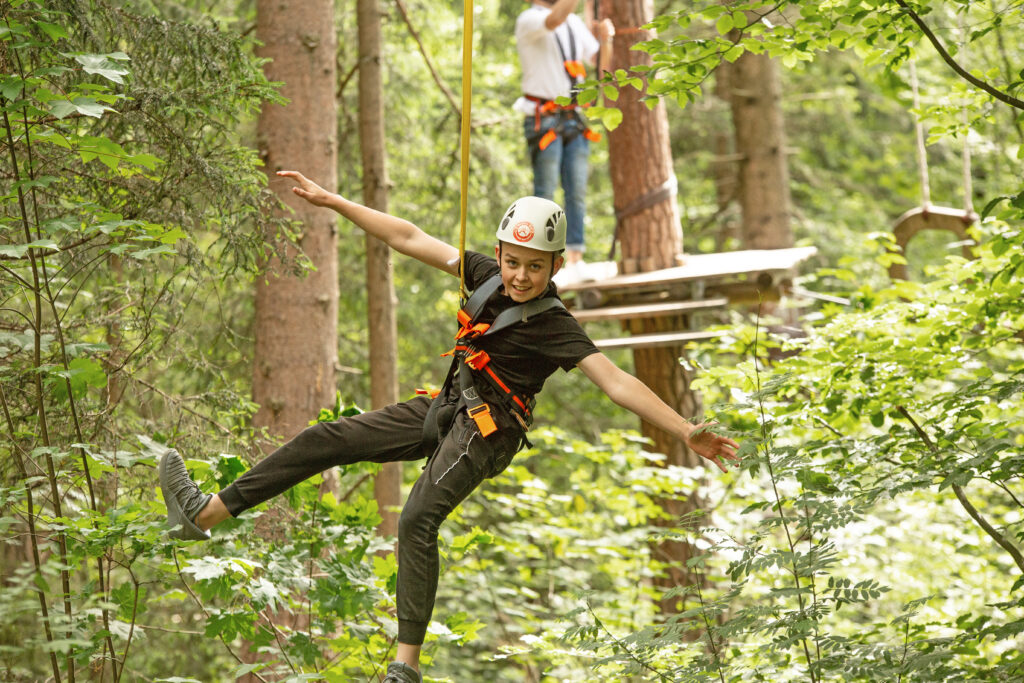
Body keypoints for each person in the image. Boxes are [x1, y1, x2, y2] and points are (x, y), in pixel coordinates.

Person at [160, 170, 740, 683]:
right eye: (513, 262)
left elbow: (616, 382)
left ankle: (404, 668)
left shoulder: (556, 325)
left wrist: (685, 429)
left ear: (556, 266)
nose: (519, 276)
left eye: (534, 267)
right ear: (499, 253)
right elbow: (409, 237)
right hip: (449, 407)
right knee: (326, 439)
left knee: (416, 519)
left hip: (491, 431)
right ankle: (204, 514)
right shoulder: (484, 275)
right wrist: (338, 202)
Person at [514, 0, 614, 283]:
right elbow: (554, 19)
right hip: (544, 117)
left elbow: (598, 63)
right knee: (545, 193)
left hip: (573, 117)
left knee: (576, 191)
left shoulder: (573, 23)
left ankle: (575, 258)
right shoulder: (530, 19)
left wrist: (606, 40)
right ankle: (541, 262)